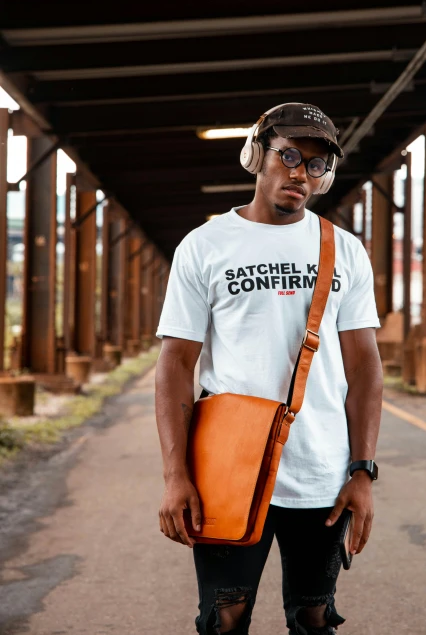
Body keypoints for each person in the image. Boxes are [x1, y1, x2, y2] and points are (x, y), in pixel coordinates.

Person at [155, 102, 383, 635]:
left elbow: (365, 369)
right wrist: (174, 475)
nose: (301, 173)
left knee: (314, 616)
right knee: (224, 619)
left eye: (317, 164)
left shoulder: (344, 251)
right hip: (226, 471)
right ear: (256, 155)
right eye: (289, 156)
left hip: (322, 477)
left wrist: (363, 470)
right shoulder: (204, 246)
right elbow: (175, 366)